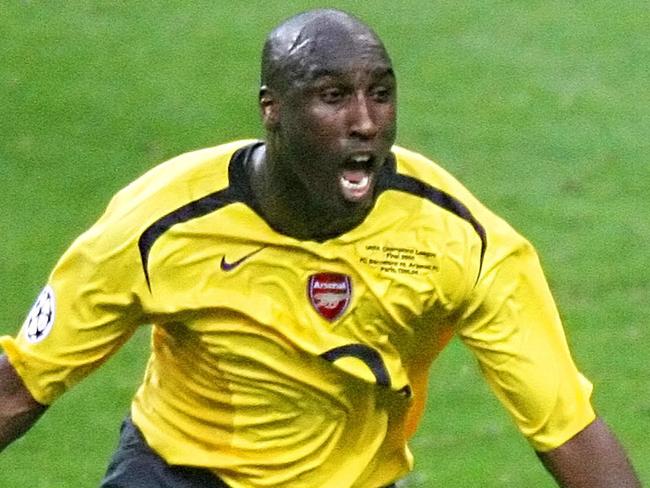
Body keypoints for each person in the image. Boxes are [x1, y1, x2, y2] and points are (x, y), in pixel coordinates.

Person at [0, 8, 641, 488]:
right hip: (178, 471)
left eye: (381, 94)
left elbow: (568, 430)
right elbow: (21, 385)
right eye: (333, 97)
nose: (365, 121)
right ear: (271, 109)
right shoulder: (156, 224)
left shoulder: (460, 241)